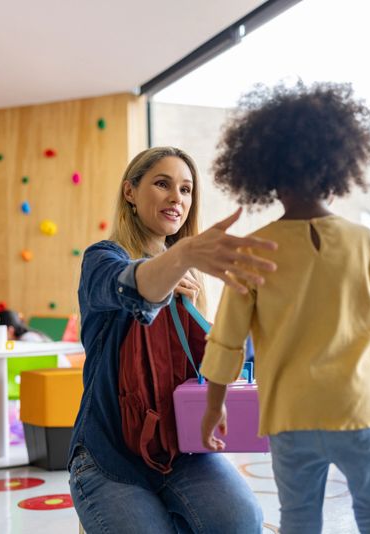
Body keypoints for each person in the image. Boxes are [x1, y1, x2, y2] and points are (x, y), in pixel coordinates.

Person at [199, 82, 370, 534]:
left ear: (264, 174)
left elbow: (227, 340)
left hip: (290, 414)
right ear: (334, 165)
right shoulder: (366, 242)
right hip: (359, 407)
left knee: (300, 519)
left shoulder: (250, 250)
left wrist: (214, 406)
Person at [69, 146, 278, 533]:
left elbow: (203, 365)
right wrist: (180, 257)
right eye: (162, 184)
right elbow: (136, 286)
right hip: (108, 455)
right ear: (130, 192)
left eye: (185, 190)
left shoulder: (192, 279)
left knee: (243, 521)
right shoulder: (102, 258)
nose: (176, 198)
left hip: (181, 449)